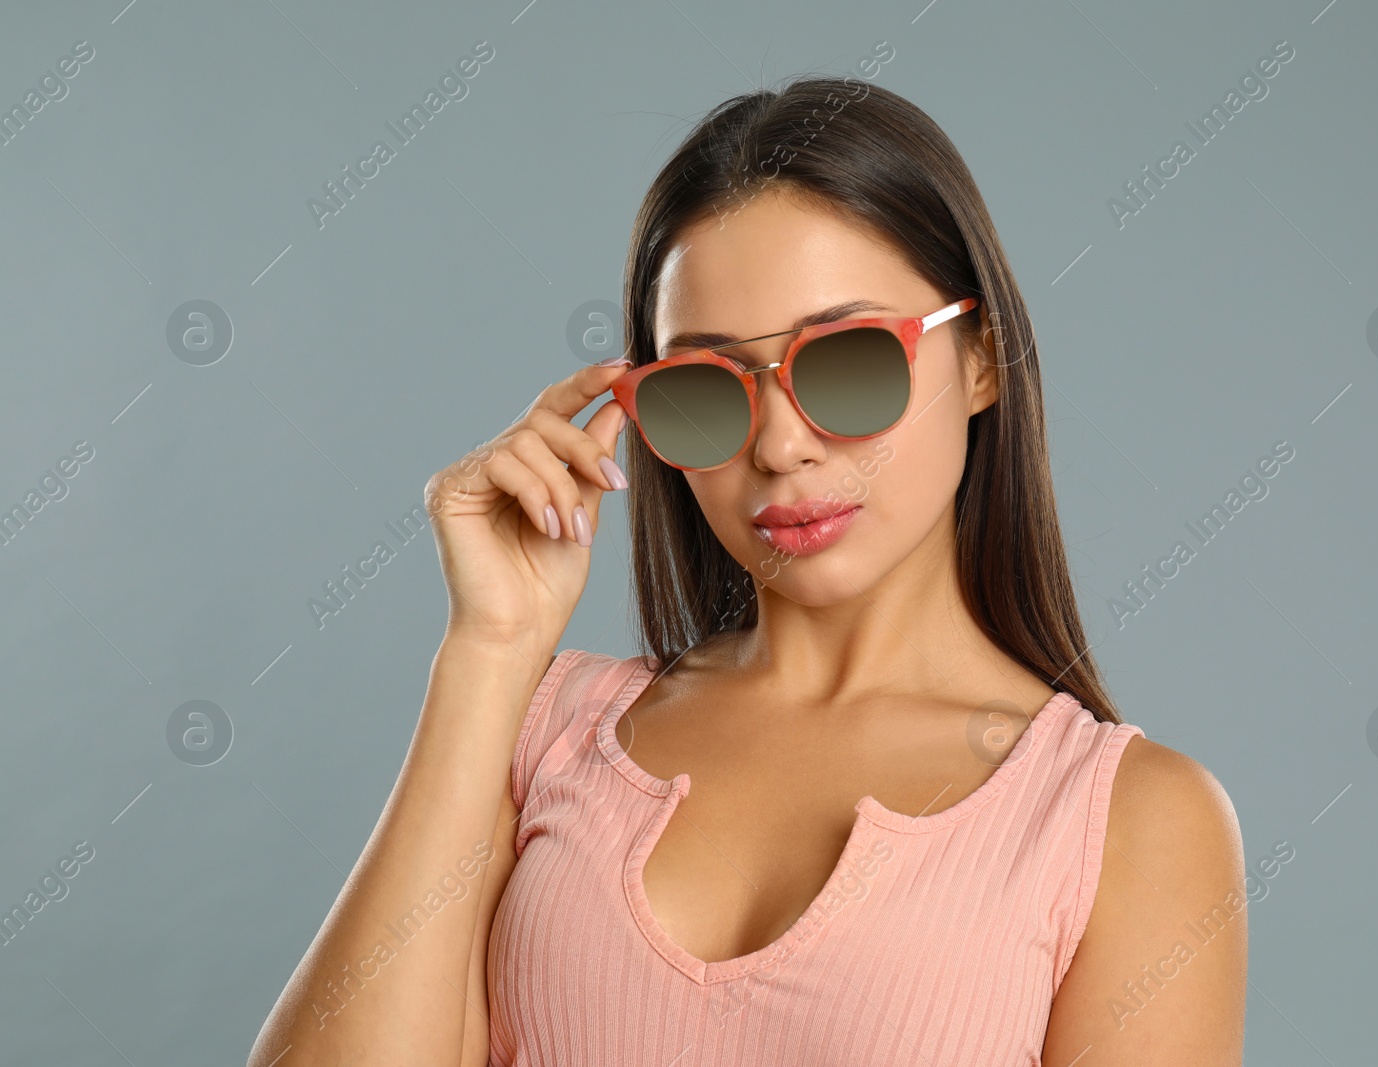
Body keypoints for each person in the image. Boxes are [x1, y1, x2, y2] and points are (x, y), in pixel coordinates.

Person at [249, 74, 1247, 1066]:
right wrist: (490, 647)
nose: (779, 445)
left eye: (849, 362)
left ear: (980, 356)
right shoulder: (540, 733)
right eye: (705, 390)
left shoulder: (1128, 821)